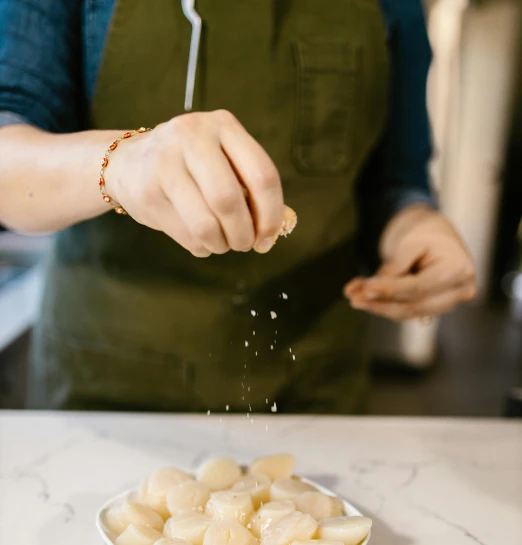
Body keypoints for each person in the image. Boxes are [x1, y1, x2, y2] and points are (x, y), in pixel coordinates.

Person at [0, 0, 476, 414]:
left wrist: (417, 230)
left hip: (311, 387)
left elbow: (394, 181)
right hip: (107, 388)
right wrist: (123, 164)